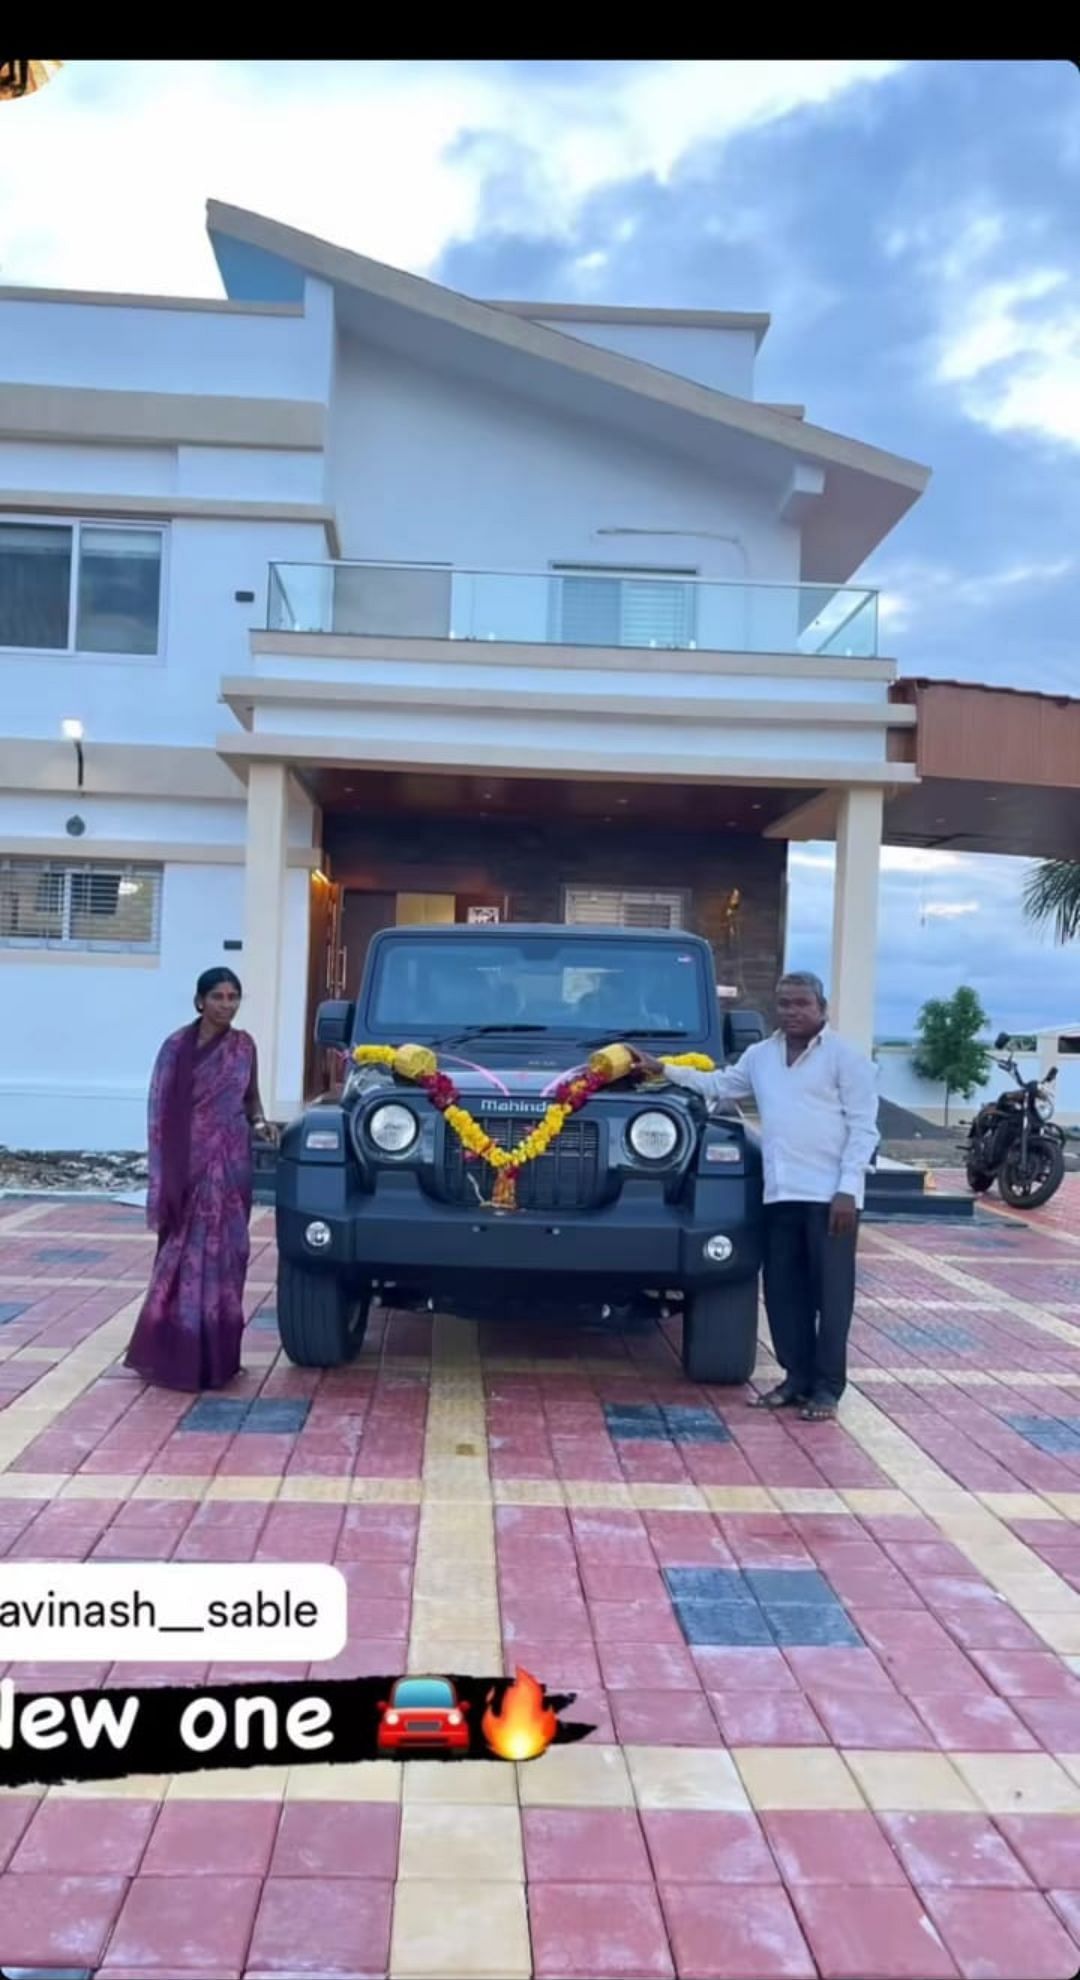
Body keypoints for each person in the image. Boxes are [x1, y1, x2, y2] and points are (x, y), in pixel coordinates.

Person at [635, 971, 878, 1420]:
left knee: (831, 1295)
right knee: (784, 1292)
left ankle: (827, 1389)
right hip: (780, 1191)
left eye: (802, 1003)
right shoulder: (761, 1056)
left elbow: (864, 1128)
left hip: (832, 1198)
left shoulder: (846, 1058)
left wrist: (849, 1189)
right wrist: (664, 1069)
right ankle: (796, 1378)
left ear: (822, 1007)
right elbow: (719, 1086)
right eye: (785, 1003)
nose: (793, 1011)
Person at [124, 968, 274, 1391]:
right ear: (200, 1001)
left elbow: (251, 1099)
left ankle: (219, 1357)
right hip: (189, 1168)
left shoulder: (244, 1046)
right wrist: (167, 1172)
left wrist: (261, 1124)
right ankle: (178, 1352)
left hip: (232, 1167)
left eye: (233, 997)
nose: (226, 1004)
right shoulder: (176, 1047)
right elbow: (160, 1110)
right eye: (218, 997)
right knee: (183, 1259)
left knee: (230, 1256)